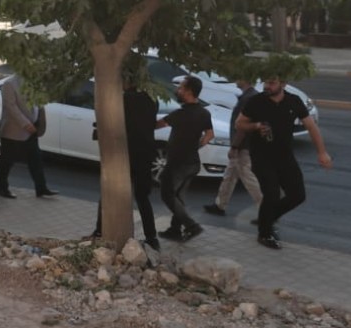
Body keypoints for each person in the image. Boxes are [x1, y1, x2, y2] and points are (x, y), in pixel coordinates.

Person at [236, 74, 333, 250]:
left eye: (272, 83)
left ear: (283, 84)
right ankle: (264, 233)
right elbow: (240, 124)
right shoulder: (256, 101)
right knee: (272, 194)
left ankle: (267, 218)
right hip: (261, 156)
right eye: (266, 82)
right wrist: (256, 126)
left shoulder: (293, 101)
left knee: (298, 195)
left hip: (285, 156)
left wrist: (322, 152)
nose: (267, 86)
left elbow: (311, 126)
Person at [92, 72, 161, 260]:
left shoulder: (123, 100)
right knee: (142, 196)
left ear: (128, 82)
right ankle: (151, 236)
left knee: (109, 192)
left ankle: (99, 230)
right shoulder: (153, 100)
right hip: (145, 153)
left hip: (123, 153)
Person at [156, 75, 214, 241]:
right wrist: (196, 146)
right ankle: (175, 230)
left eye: (180, 88)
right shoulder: (204, 113)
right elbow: (210, 135)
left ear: (188, 92)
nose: (177, 90)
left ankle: (191, 226)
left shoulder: (179, 114)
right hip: (193, 163)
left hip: (177, 163)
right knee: (178, 197)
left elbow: (157, 125)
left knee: (167, 195)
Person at [204, 78, 264, 217]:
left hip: (243, 146)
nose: (236, 80)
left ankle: (266, 209)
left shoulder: (247, 99)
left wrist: (235, 146)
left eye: (239, 77)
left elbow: (241, 126)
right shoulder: (250, 96)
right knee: (230, 176)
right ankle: (220, 204)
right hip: (245, 144)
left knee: (248, 178)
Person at [0, 74, 57, 199]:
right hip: (13, 131)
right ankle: (2, 188)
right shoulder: (9, 84)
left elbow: (39, 102)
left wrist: (38, 121)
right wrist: (26, 124)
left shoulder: (34, 82)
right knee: (7, 161)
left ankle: (41, 188)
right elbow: (11, 108)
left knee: (36, 160)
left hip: (31, 130)